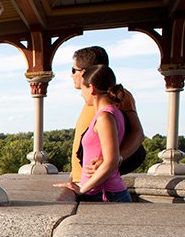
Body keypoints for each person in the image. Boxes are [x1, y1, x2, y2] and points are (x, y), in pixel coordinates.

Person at [69, 46, 145, 184]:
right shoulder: (91, 99)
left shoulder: (119, 97)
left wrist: (116, 158)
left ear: (84, 72)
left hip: (99, 185)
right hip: (84, 181)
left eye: (73, 70)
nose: (71, 75)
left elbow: (137, 133)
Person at [57, 65, 132, 202]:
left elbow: (111, 162)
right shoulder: (113, 112)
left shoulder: (104, 117)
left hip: (106, 194)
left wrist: (82, 189)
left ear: (91, 88)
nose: (81, 94)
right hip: (105, 192)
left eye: (83, 89)